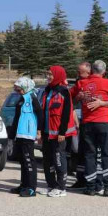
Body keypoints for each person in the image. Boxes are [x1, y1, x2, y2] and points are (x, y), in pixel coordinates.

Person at [71, 60, 108, 196]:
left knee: (90, 155)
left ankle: (90, 187)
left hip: (87, 124)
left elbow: (70, 97)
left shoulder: (82, 83)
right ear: (104, 71)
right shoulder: (107, 83)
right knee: (107, 154)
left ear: (92, 70)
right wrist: (102, 102)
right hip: (103, 123)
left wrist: (79, 97)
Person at [38, 66, 73, 198]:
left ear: (58, 75)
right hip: (47, 132)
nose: (48, 77)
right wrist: (40, 131)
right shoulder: (47, 90)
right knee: (47, 161)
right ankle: (51, 185)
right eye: (47, 74)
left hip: (58, 133)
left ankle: (61, 187)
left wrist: (62, 132)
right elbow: (43, 112)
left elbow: (66, 114)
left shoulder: (64, 91)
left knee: (59, 160)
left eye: (50, 74)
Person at [9, 77, 41, 197]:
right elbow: (17, 117)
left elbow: (40, 114)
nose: (18, 91)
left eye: (20, 88)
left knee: (29, 161)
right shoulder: (22, 99)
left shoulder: (32, 98)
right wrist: (11, 134)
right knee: (22, 160)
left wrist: (39, 130)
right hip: (20, 134)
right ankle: (24, 184)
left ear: (26, 87)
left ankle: (31, 188)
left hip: (28, 134)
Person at [68, 62, 92, 190]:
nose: (77, 74)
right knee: (80, 152)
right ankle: (81, 179)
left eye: (80, 71)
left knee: (94, 152)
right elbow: (69, 98)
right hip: (84, 122)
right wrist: (78, 96)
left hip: (98, 122)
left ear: (88, 72)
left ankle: (95, 181)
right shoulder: (79, 83)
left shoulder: (99, 82)